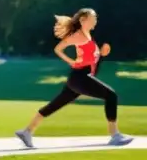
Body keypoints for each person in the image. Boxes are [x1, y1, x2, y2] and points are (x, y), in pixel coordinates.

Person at [15, 8, 134, 149]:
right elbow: (58, 49)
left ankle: (26, 132)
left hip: (78, 79)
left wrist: (101, 54)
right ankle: (115, 135)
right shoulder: (78, 35)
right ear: (83, 20)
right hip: (80, 77)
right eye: (93, 18)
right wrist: (71, 61)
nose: (95, 21)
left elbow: (91, 59)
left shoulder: (88, 35)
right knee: (111, 96)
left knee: (55, 105)